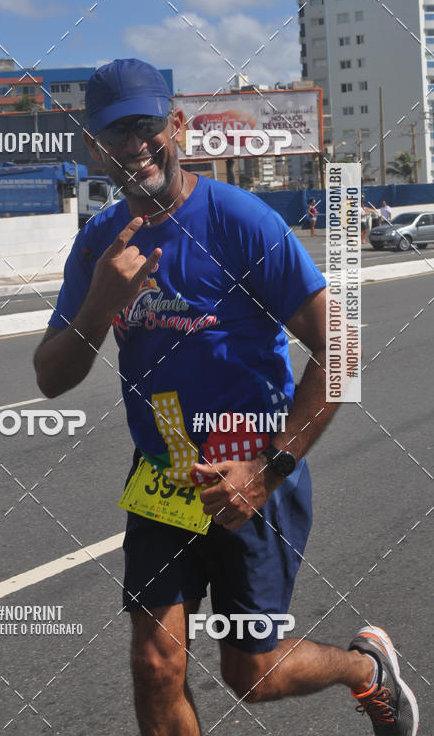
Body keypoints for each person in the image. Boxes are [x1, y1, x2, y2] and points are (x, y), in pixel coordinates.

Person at [33, 59, 418, 736]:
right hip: (162, 472)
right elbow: (51, 376)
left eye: (147, 125)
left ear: (176, 124)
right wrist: (98, 303)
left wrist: (266, 472)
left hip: (253, 467)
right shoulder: (97, 245)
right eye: (116, 133)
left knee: (255, 674)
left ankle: (365, 668)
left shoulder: (241, 220)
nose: (135, 145)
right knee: (155, 664)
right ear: (93, 147)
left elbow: (341, 348)